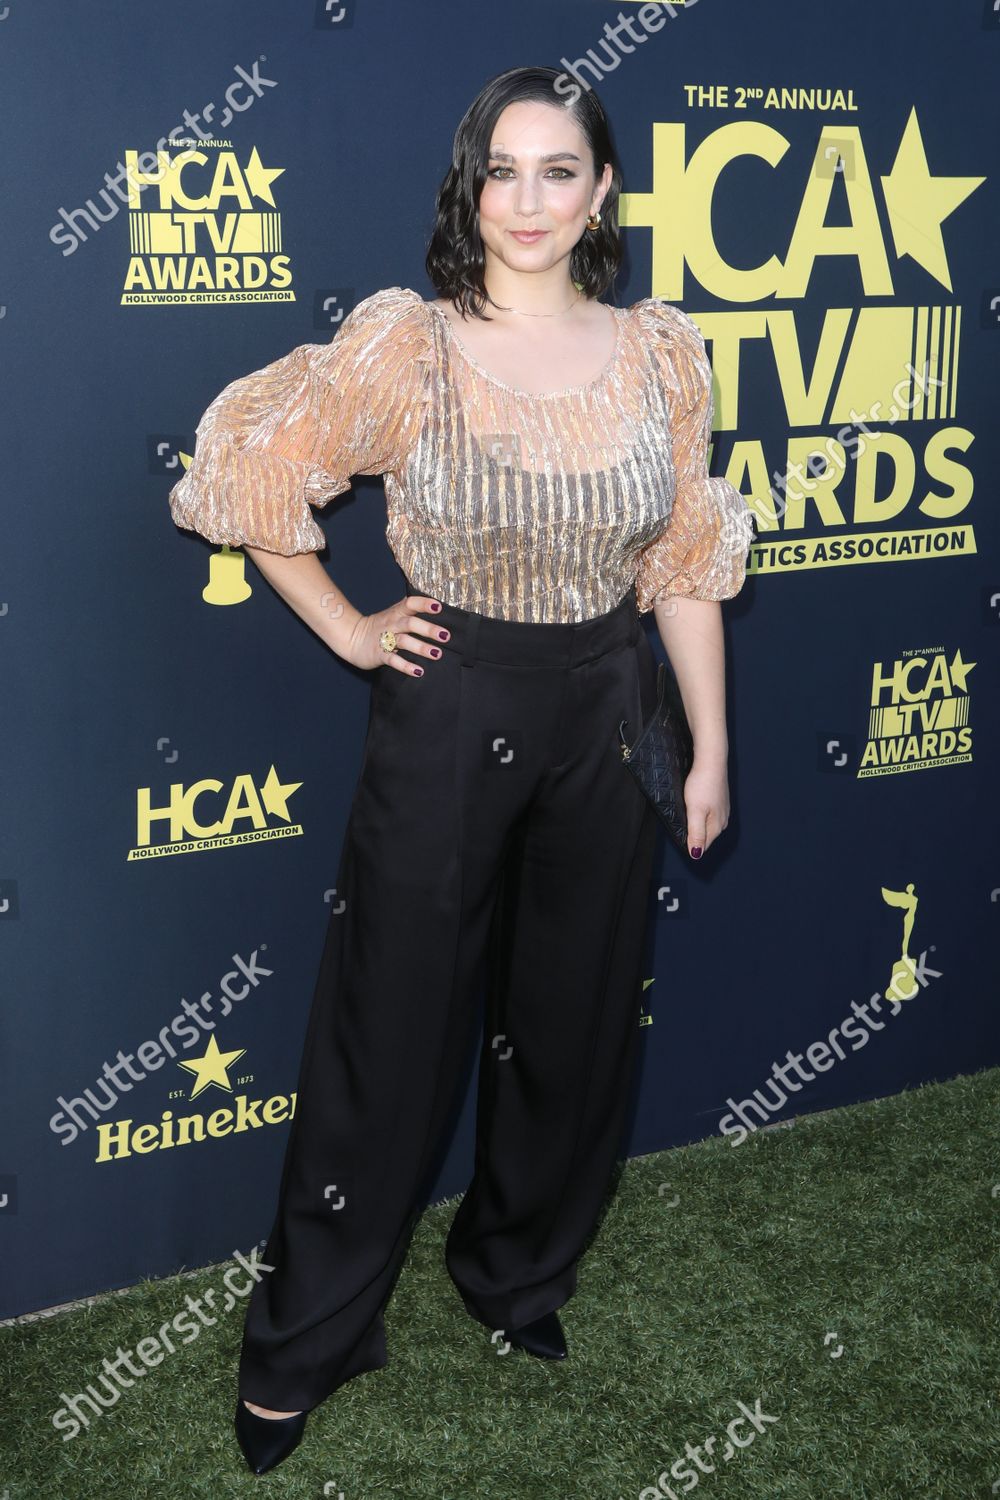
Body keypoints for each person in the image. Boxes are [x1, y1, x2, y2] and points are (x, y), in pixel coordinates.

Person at [167, 64, 754, 1476]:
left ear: (603, 190)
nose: (531, 199)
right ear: (468, 187)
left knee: (576, 1025)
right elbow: (251, 472)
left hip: (606, 710)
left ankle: (517, 1276)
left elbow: (679, 562)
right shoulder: (409, 346)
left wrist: (711, 740)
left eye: (561, 170)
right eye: (505, 169)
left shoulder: (664, 351)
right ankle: (306, 1340)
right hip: (451, 703)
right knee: (391, 1039)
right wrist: (356, 629)